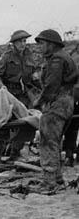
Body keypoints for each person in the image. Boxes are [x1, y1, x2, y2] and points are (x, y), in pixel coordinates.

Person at [32, 29, 78, 192]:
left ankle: (49, 182)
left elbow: (51, 85)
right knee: (55, 141)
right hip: (67, 102)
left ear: (51, 45)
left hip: (57, 102)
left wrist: (39, 102)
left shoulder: (56, 59)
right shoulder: (64, 56)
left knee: (47, 141)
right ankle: (57, 179)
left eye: (42, 44)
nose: (40, 47)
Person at [0, 30, 38, 108]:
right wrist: (1, 86)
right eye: (20, 42)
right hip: (9, 92)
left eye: (24, 41)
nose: (23, 44)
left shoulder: (29, 56)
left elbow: (34, 72)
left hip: (25, 92)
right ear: (14, 43)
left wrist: (36, 76)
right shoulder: (7, 56)